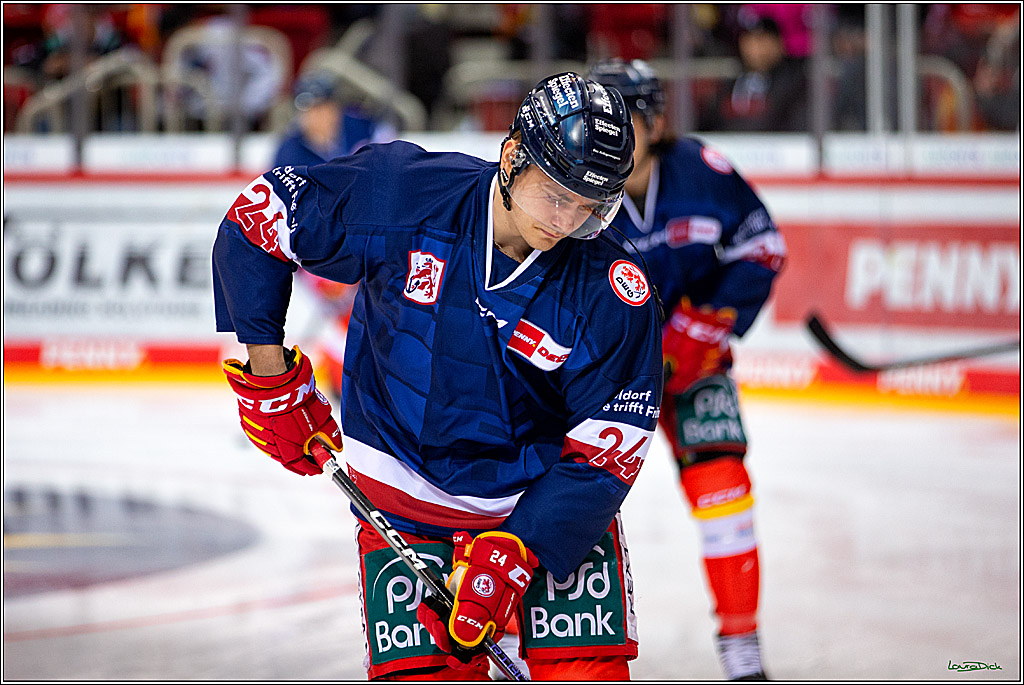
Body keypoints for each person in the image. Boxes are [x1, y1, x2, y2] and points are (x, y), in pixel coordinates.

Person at [212, 72, 664, 680]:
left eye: (592, 208)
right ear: (512, 158)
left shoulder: (614, 290)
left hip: (543, 510)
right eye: (557, 196)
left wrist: (521, 549)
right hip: (404, 500)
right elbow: (256, 222)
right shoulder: (403, 195)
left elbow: (610, 448)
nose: (568, 222)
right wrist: (270, 381)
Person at [588, 58, 787, 681]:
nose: (612, 133)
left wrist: (705, 322)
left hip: (695, 367)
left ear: (655, 120)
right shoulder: (574, 183)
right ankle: (537, 641)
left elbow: (763, 246)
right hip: (601, 379)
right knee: (570, 504)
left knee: (724, 488)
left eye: (625, 118)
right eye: (601, 120)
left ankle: (740, 641)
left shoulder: (703, 173)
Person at [273, 71, 395, 400]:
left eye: (320, 108)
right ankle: (346, 384)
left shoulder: (368, 132)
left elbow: (391, 187)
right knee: (333, 319)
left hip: (375, 241)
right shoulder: (289, 152)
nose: (314, 118)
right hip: (321, 254)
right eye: (307, 110)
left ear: (335, 108)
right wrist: (323, 264)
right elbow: (288, 217)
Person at [698, 16, 808, 132]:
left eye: (762, 40)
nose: (755, 48)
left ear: (779, 43)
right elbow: (710, 123)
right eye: (749, 40)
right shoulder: (730, 83)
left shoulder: (795, 82)